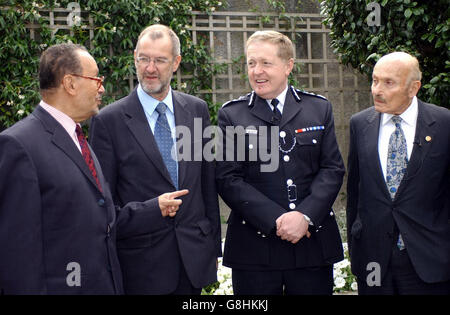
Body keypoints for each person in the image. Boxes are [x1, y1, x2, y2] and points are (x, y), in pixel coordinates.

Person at [0, 43, 188, 294]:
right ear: (70, 84)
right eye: (96, 78)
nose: (102, 88)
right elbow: (17, 255)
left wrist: (154, 208)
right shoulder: (19, 145)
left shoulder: (79, 140)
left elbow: (101, 219)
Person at [89, 24, 221, 295]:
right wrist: (152, 210)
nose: (150, 68)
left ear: (176, 63)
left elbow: (207, 184)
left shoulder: (197, 110)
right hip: (141, 268)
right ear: (135, 57)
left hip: (192, 263)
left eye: (160, 60)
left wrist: (211, 245)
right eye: (143, 59)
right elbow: (103, 206)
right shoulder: (108, 121)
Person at [215, 30, 345, 295]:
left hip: (311, 246)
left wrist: (304, 216)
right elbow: (228, 178)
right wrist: (277, 219)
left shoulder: (318, 108)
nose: (257, 71)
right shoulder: (233, 115)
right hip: (255, 251)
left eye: (266, 63)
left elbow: (332, 169)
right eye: (251, 63)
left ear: (288, 66)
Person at [346, 51, 450, 295]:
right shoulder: (360, 124)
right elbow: (355, 192)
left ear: (413, 88)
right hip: (373, 262)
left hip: (429, 262)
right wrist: (356, 248)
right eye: (374, 80)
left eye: (388, 83)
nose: (377, 90)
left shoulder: (444, 124)